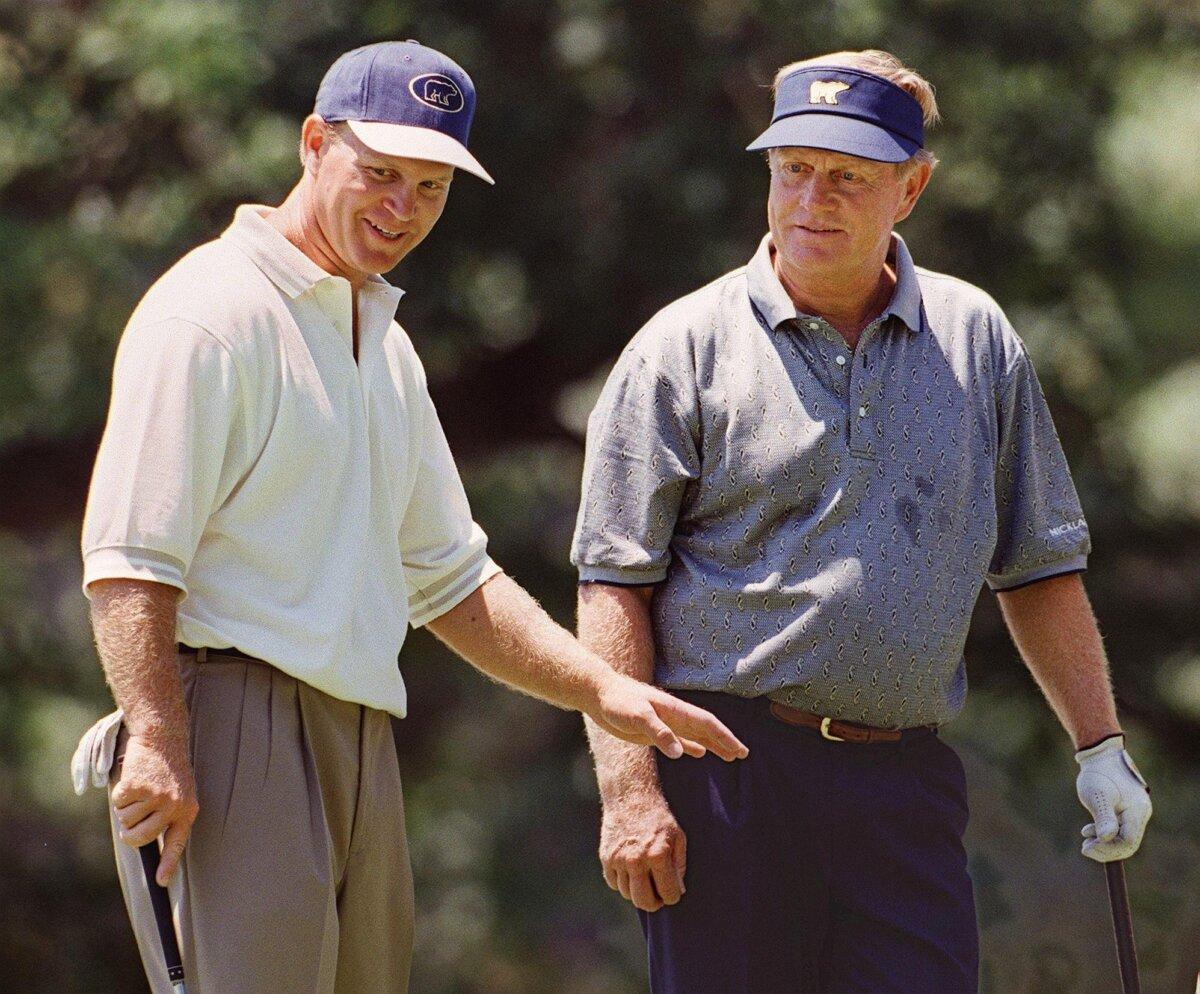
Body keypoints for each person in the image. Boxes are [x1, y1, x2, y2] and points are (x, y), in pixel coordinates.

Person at [77, 40, 748, 994]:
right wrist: (156, 738)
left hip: (359, 735)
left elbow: (452, 578)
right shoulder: (210, 312)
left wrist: (598, 689)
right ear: (314, 144)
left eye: (430, 189)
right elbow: (129, 558)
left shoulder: (382, 345)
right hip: (228, 725)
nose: (401, 209)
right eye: (380, 173)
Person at [571, 49, 1152, 993]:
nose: (813, 197)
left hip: (902, 787)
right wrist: (629, 787)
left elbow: (1039, 566)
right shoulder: (681, 347)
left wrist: (1102, 748)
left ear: (910, 188)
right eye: (793, 168)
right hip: (727, 774)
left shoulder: (977, 339)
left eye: (848, 175)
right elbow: (613, 581)